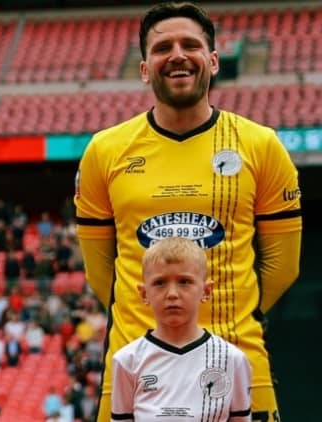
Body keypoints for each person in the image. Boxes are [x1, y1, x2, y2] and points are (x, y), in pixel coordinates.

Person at [74, 3, 302, 421]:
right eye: (163, 47)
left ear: (212, 61)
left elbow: (283, 267)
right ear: (145, 68)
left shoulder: (261, 145)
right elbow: (101, 274)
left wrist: (231, 311)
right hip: (135, 374)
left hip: (240, 366)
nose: (177, 54)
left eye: (191, 45)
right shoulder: (105, 151)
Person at [111, 237, 251, 421]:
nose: (172, 294)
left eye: (184, 281)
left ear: (206, 291)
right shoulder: (127, 361)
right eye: (160, 283)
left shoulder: (232, 359)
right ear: (144, 294)